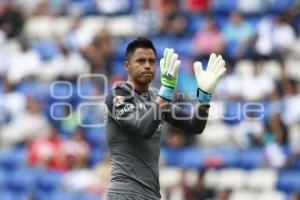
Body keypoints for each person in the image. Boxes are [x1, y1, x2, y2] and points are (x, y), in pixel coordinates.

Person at [104, 37, 226, 200]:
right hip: (124, 193)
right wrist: (167, 91)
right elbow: (143, 129)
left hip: (151, 194)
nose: (147, 65)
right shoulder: (118, 96)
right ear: (127, 66)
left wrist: (204, 98)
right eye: (140, 61)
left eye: (151, 61)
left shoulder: (156, 97)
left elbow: (195, 126)